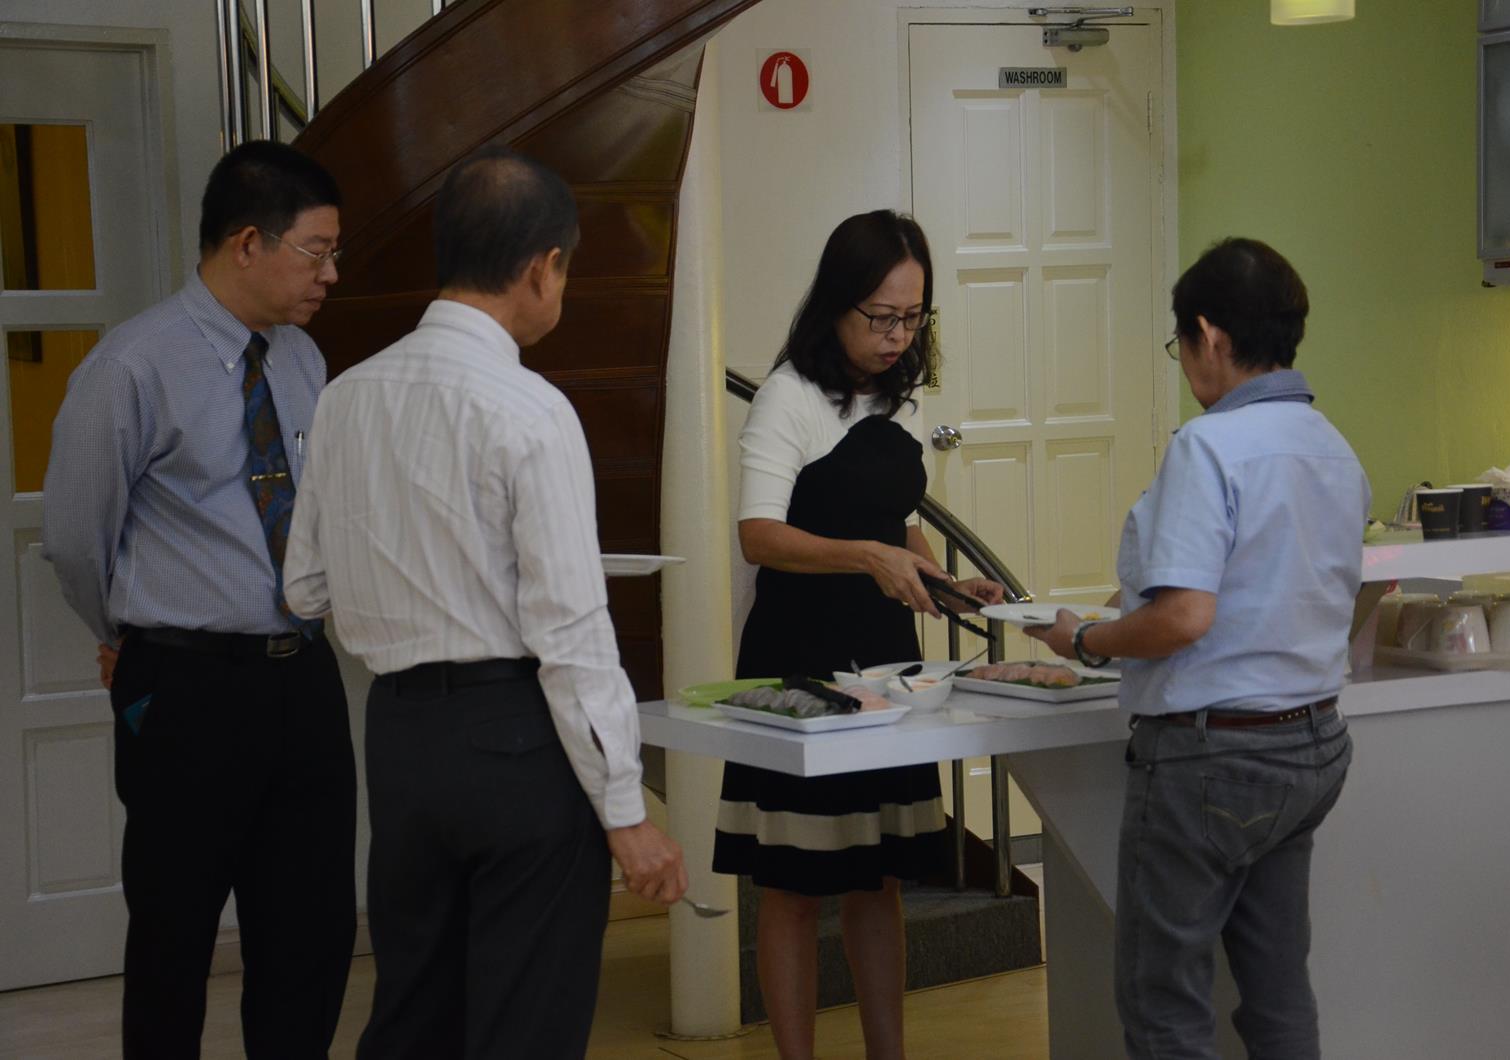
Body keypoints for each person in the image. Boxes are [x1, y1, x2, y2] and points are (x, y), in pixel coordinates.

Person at [281, 146, 687, 1060]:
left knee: (413, 1014)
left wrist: (407, 582)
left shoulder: (345, 398)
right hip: (517, 739)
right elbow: (571, 633)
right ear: (544, 266)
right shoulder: (530, 409)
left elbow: (303, 586)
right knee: (525, 1025)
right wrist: (627, 813)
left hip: (399, 737)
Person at [42, 140, 354, 1059]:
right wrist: (122, 637)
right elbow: (76, 537)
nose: (331, 275)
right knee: (174, 938)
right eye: (317, 251)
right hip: (186, 687)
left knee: (310, 935)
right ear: (247, 242)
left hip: (304, 681)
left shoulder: (302, 360)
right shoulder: (131, 365)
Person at [1026, 237, 1369, 1060]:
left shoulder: (1208, 445)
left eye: (1180, 343)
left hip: (1212, 759)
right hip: (1312, 743)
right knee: (1277, 991)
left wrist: (1086, 640)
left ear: (1209, 336)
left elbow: (1185, 617)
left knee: (1163, 1001)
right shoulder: (1333, 446)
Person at [713, 209, 1004, 1060]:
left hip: (885, 661)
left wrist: (941, 582)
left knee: (880, 876)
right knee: (794, 884)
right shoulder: (789, 396)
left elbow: (896, 521)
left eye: (913, 317)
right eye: (881, 317)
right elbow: (758, 536)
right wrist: (866, 556)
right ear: (837, 304)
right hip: (799, 659)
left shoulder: (904, 395)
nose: (897, 336)